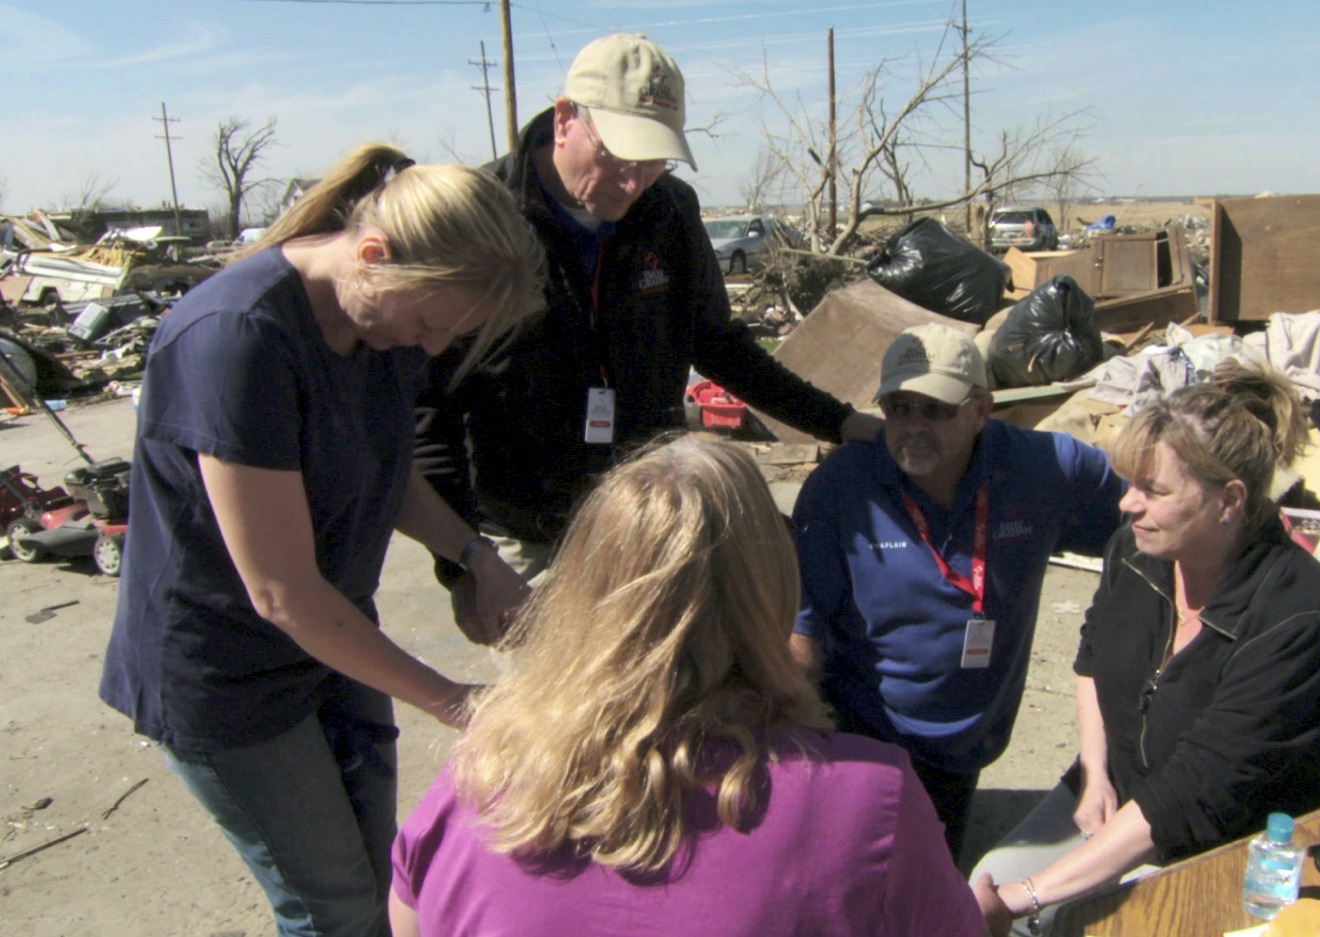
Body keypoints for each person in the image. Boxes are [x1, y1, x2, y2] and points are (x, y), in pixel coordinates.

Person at [98, 144, 547, 937]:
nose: (433, 347)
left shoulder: (380, 326)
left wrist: (473, 557)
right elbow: (281, 591)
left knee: (379, 879)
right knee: (330, 905)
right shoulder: (238, 339)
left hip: (333, 643)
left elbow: (388, 469)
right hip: (228, 673)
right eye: (430, 323)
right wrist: (458, 703)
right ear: (374, 255)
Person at [390, 434, 984, 937]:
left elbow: (407, 916)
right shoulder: (871, 798)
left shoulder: (475, 781)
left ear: (579, 590)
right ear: (772, 586)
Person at [415, 33, 879, 610]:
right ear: (565, 120)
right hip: (527, 533)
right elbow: (429, 407)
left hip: (648, 518)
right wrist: (462, 565)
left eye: (653, 160)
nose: (633, 182)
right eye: (616, 154)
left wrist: (838, 422)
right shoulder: (481, 217)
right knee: (556, 699)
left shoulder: (670, 211)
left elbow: (718, 345)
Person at [969, 363, 1320, 935]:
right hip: (1120, 791)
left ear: (1229, 500)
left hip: (1232, 845)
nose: (1127, 505)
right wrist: (1095, 773)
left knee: (1047, 919)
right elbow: (1092, 657)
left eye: (1152, 491)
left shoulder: (1299, 621)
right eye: (1130, 484)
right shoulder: (1135, 550)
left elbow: (1194, 794)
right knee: (989, 871)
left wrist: (1020, 899)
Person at [792, 324, 1124, 858]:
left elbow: (1149, 519)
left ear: (981, 411)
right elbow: (802, 632)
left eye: (936, 410)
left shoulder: (1047, 468)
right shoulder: (842, 488)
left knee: (935, 876)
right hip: (867, 733)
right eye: (898, 408)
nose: (913, 428)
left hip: (969, 740)